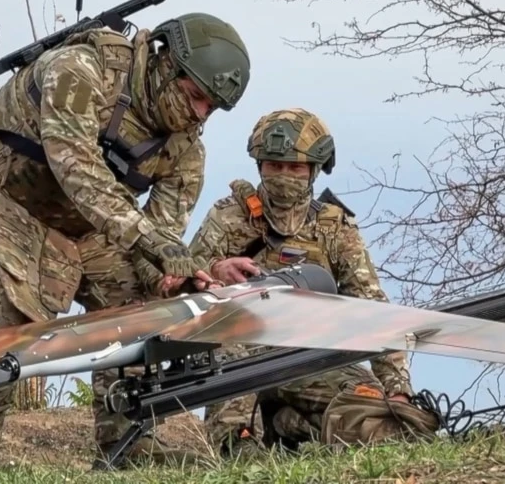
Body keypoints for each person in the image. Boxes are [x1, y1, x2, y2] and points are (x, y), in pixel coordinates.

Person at [0, 12, 251, 467]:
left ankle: (128, 440)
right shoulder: (80, 70)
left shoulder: (185, 152)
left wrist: (172, 277)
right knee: (2, 314)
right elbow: (75, 167)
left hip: (83, 225)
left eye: (210, 107)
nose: (199, 114)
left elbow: (159, 242)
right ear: (165, 64)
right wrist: (154, 245)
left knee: (142, 307)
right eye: (195, 96)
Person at [186, 107, 440, 457]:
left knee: (378, 417)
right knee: (233, 363)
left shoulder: (335, 229)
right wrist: (215, 270)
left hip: (309, 358)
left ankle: (291, 427)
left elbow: (375, 310)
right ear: (259, 165)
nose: (283, 176)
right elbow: (180, 281)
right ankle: (237, 443)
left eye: (295, 168)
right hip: (238, 351)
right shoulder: (228, 216)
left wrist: (397, 389)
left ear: (314, 170)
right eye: (275, 166)